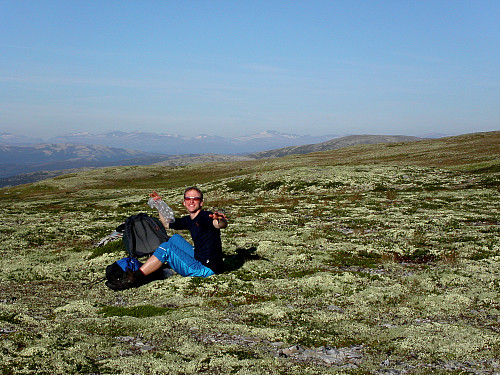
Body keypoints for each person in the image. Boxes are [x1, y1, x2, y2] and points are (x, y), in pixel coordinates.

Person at [128, 186, 228, 287]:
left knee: (166, 248)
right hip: (199, 257)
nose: (191, 202)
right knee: (175, 239)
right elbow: (166, 223)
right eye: (188, 199)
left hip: (206, 268)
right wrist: (159, 204)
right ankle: (155, 265)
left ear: (201, 203)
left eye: (195, 199)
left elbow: (219, 224)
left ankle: (135, 277)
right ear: (184, 202)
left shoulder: (206, 216)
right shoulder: (189, 219)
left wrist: (220, 220)